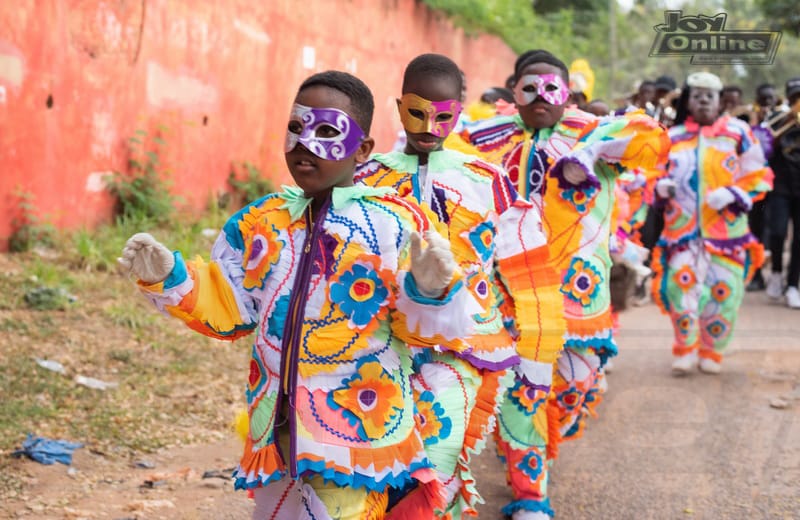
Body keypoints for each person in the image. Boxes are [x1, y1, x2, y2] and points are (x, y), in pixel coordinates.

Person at [118, 70, 475, 519]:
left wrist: (429, 290)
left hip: (357, 435)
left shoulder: (396, 225)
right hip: (277, 431)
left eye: (327, 131)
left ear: (363, 149)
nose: (305, 143)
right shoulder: (260, 222)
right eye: (295, 127)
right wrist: (173, 279)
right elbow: (232, 307)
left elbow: (426, 333)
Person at [453, 49, 669, 519]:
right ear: (514, 91)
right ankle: (531, 494)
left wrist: (590, 152)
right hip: (512, 292)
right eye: (529, 87)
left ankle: (528, 447)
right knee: (524, 392)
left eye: (551, 87)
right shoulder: (484, 137)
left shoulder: (592, 131)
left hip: (578, 295)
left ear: (566, 92)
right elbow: (440, 149)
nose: (540, 97)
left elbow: (648, 135)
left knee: (575, 385)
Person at [355, 53, 565, 519]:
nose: (429, 124)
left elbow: (528, 275)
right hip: (380, 345)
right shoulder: (366, 179)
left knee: (439, 454)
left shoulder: (486, 182)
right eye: (417, 111)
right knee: (381, 460)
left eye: (443, 114)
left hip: (463, 347)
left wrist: (539, 350)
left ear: (460, 112)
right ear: (398, 106)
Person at [651, 72, 773, 375]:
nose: (704, 100)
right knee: (680, 287)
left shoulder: (739, 132)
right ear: (688, 101)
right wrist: (660, 187)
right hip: (681, 231)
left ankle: (712, 351)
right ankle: (685, 348)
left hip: (727, 232)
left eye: (710, 95)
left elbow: (759, 175)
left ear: (720, 100)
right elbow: (653, 173)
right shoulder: (673, 135)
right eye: (697, 95)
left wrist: (733, 193)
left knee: (724, 291)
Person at [765, 76, 800, 307]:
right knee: (777, 232)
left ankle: (793, 285)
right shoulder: (776, 118)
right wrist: (785, 122)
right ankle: (776, 272)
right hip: (779, 184)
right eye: (795, 97)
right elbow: (764, 146)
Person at [746, 83, 780, 292]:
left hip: (778, 185)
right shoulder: (749, 121)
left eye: (771, 99)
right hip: (755, 184)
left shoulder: (782, 119)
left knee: (775, 230)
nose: (767, 104)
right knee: (755, 229)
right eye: (763, 100)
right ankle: (756, 274)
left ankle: (775, 273)